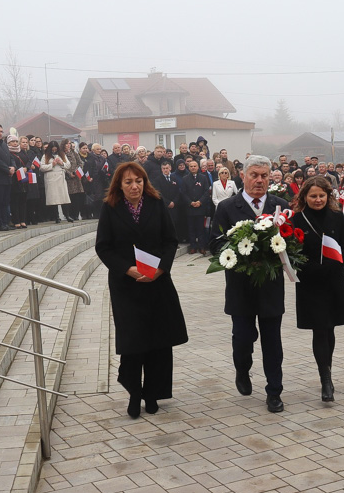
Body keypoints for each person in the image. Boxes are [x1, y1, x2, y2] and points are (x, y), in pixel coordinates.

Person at [95, 161, 188, 418]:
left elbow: (170, 240)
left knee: (159, 340)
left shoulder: (156, 204)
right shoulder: (110, 208)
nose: (134, 186)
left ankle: (152, 393)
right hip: (127, 285)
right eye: (128, 182)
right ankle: (135, 393)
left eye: (138, 181)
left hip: (157, 282)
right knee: (134, 341)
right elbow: (103, 247)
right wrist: (127, 269)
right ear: (119, 185)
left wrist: (161, 268)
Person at [210, 155, 289, 413]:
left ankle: (274, 392)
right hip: (240, 287)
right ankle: (242, 369)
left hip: (270, 286)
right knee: (243, 338)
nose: (259, 181)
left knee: (272, 341)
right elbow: (216, 243)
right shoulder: (227, 208)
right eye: (254, 175)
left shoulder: (280, 206)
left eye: (264, 176)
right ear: (243, 177)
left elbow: (292, 243)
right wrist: (240, 253)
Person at [291, 176, 344, 402]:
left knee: (330, 329)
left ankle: (328, 370)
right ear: (304, 197)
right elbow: (292, 254)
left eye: (321, 196)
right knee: (319, 329)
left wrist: (333, 264)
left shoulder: (337, 217)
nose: (317, 200)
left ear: (328, 196)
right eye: (313, 196)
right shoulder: (297, 219)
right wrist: (310, 269)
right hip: (310, 282)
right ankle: (325, 379)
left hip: (333, 280)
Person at [180, 160, 210, 255]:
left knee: (200, 228)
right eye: (191, 166)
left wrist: (200, 202)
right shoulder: (185, 179)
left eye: (195, 166)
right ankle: (193, 246)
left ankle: (202, 247)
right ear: (189, 167)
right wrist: (190, 202)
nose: (193, 168)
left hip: (200, 207)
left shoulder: (203, 178)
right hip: (190, 208)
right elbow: (183, 193)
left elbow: (206, 191)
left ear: (198, 167)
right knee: (191, 228)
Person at [39, 140, 71, 223]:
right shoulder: (45, 156)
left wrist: (61, 163)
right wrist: (52, 164)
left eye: (55, 149)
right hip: (51, 178)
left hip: (60, 178)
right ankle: (56, 216)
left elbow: (68, 165)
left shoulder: (62, 155)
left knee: (64, 197)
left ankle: (67, 215)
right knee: (54, 199)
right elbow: (42, 167)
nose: (54, 151)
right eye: (52, 150)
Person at [8, 136, 29, 229]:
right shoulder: (8, 153)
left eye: (16, 141)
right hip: (14, 179)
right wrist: (17, 169)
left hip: (24, 179)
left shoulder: (21, 152)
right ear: (8, 143)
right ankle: (16, 221)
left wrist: (26, 168)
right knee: (15, 201)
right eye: (13, 141)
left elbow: (29, 161)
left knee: (23, 201)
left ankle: (23, 220)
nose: (15, 143)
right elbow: (11, 164)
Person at [61, 140, 83, 221]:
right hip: (67, 178)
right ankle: (68, 214)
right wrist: (69, 173)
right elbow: (61, 166)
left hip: (76, 178)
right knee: (68, 197)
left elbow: (80, 163)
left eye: (69, 143)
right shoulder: (61, 154)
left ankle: (76, 214)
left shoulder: (74, 153)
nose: (68, 145)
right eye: (67, 144)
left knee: (76, 197)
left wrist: (76, 171)